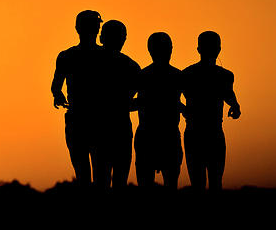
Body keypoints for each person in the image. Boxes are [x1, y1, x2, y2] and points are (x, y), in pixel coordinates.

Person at [51, 10, 106, 188]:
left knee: (93, 174)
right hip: (87, 119)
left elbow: (56, 86)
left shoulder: (68, 55)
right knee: (93, 174)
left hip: (90, 119)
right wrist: (57, 95)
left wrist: (57, 95)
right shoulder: (104, 56)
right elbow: (56, 86)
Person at [181, 31, 241, 191]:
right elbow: (228, 94)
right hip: (204, 133)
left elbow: (229, 94)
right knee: (209, 182)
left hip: (204, 133)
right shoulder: (189, 75)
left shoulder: (189, 74)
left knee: (208, 182)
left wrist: (235, 105)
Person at [133, 32, 184, 189]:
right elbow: (128, 104)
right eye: (165, 48)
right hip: (160, 137)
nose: (167, 51)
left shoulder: (142, 76)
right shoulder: (177, 76)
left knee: (151, 185)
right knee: (168, 186)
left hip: (158, 136)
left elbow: (128, 104)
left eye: (168, 48)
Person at [97, 20, 140, 189]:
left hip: (100, 127)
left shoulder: (90, 64)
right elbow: (133, 103)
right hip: (119, 127)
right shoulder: (132, 67)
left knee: (102, 179)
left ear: (101, 38)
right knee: (119, 180)